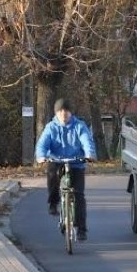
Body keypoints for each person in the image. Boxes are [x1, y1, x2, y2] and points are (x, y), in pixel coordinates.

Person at [35, 99, 97, 241]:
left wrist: (89, 155)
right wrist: (41, 157)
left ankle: (82, 229)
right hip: (57, 161)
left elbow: (87, 141)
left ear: (71, 112)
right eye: (60, 111)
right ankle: (53, 202)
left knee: (79, 195)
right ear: (56, 113)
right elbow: (42, 144)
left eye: (66, 111)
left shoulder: (79, 126)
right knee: (52, 175)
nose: (64, 114)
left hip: (76, 163)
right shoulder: (51, 127)